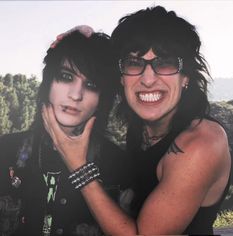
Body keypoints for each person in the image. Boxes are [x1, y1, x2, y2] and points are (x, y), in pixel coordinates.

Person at [42, 6, 232, 235]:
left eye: (165, 63)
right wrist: (77, 41)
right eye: (134, 63)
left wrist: (78, 167)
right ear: (121, 77)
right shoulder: (146, 124)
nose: (148, 79)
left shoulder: (202, 143)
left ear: (186, 77)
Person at [0, 27, 134, 236]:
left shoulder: (120, 168)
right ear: (48, 84)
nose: (76, 94)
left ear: (102, 100)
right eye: (66, 77)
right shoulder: (4, 151)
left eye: (91, 84)